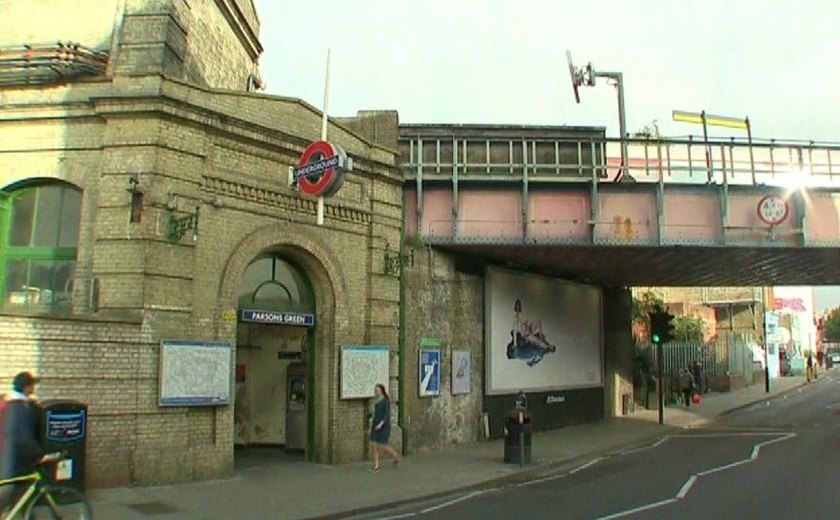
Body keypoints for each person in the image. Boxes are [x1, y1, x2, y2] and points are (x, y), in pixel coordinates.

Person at [0, 372, 56, 515]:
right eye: (32, 385)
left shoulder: (12, 402)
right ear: (26, 387)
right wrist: (40, 455)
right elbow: (23, 436)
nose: (34, 388)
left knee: (20, 495)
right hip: (12, 458)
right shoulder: (17, 407)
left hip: (12, 456)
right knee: (12, 492)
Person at [369, 384, 400, 472]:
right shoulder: (374, 400)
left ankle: (395, 456)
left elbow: (386, 414)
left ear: (382, 391)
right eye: (375, 390)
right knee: (374, 445)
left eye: (378, 390)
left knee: (382, 445)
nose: (376, 392)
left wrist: (381, 424)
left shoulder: (386, 401)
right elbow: (372, 412)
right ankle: (376, 465)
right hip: (375, 424)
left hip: (384, 425)